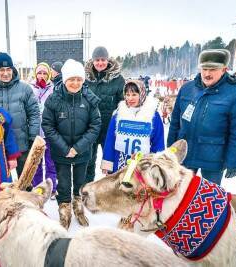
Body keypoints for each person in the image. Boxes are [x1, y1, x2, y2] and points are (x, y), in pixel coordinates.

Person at [167, 49, 236, 185]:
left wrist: (234, 161)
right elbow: (175, 123)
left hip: (214, 159)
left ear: (224, 69)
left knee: (209, 199)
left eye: (213, 69)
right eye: (204, 69)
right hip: (185, 154)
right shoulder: (187, 89)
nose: (207, 73)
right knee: (180, 196)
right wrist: (171, 150)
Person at [42, 59, 101, 229]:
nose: (75, 83)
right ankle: (65, 209)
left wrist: (78, 148)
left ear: (83, 80)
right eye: (71, 79)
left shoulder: (89, 99)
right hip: (61, 152)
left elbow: (95, 125)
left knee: (81, 181)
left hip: (82, 152)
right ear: (65, 80)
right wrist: (65, 148)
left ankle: (78, 207)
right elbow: (48, 125)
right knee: (64, 182)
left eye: (79, 79)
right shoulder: (54, 99)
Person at [0, 52, 40, 177]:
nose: (5, 73)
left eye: (8, 69)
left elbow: (34, 114)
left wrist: (32, 137)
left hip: (22, 144)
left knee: (25, 180)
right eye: (1, 70)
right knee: (1, 183)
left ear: (13, 69)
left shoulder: (25, 89)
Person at [101, 79, 164, 173]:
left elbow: (158, 142)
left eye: (134, 94)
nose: (130, 98)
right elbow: (110, 139)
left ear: (142, 94)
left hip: (143, 164)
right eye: (127, 95)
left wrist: (156, 165)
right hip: (120, 162)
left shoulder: (152, 115)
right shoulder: (119, 114)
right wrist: (107, 162)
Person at [84, 46, 125, 183]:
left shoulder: (118, 79)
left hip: (109, 128)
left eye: (103, 59)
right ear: (93, 61)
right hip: (90, 127)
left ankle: (111, 190)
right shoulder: (86, 79)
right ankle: (86, 188)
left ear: (107, 60)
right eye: (97, 60)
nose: (100, 63)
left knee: (110, 161)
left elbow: (123, 103)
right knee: (88, 161)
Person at [29, 62, 57, 197]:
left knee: (51, 163)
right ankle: (38, 189)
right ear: (35, 74)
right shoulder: (30, 88)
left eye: (44, 73)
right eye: (39, 73)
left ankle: (51, 188)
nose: (42, 76)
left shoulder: (54, 89)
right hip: (36, 134)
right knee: (37, 164)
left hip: (49, 132)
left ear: (49, 74)